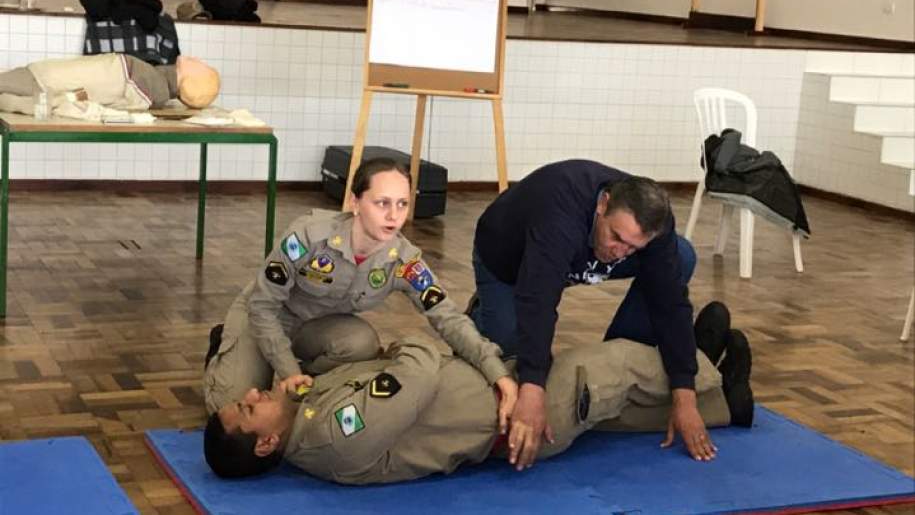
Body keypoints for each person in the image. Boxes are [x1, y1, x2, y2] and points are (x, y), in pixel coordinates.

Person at [203, 302, 754, 483]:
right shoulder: (331, 433)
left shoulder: (310, 411)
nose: (253, 393)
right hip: (510, 419)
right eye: (249, 409)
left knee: (610, 412)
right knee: (609, 368)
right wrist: (416, 342)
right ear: (264, 444)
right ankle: (696, 366)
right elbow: (413, 374)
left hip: (493, 395)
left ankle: (728, 403)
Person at [203, 157, 515, 420]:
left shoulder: (403, 260)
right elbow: (262, 305)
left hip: (315, 329)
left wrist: (495, 370)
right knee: (226, 409)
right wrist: (287, 371)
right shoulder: (309, 237)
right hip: (265, 318)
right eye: (382, 203)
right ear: (355, 202)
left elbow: (447, 317)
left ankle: (304, 376)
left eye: (402, 204)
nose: (393, 216)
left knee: (361, 343)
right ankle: (226, 343)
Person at [468, 159, 730, 469]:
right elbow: (537, 300)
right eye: (617, 237)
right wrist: (533, 386)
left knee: (679, 256)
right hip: (506, 261)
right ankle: (481, 314)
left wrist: (686, 396)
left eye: (634, 248)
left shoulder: (652, 225)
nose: (620, 253)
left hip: (562, 259)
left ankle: (621, 357)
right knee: (512, 363)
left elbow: (670, 304)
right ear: (602, 205)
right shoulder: (560, 213)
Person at [0, 53, 219, 115]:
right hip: (52, 81)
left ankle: (19, 104)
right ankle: (18, 104)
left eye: (201, 66)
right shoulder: (153, 81)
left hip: (50, 79)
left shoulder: (152, 87)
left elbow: (122, 104)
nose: (198, 59)